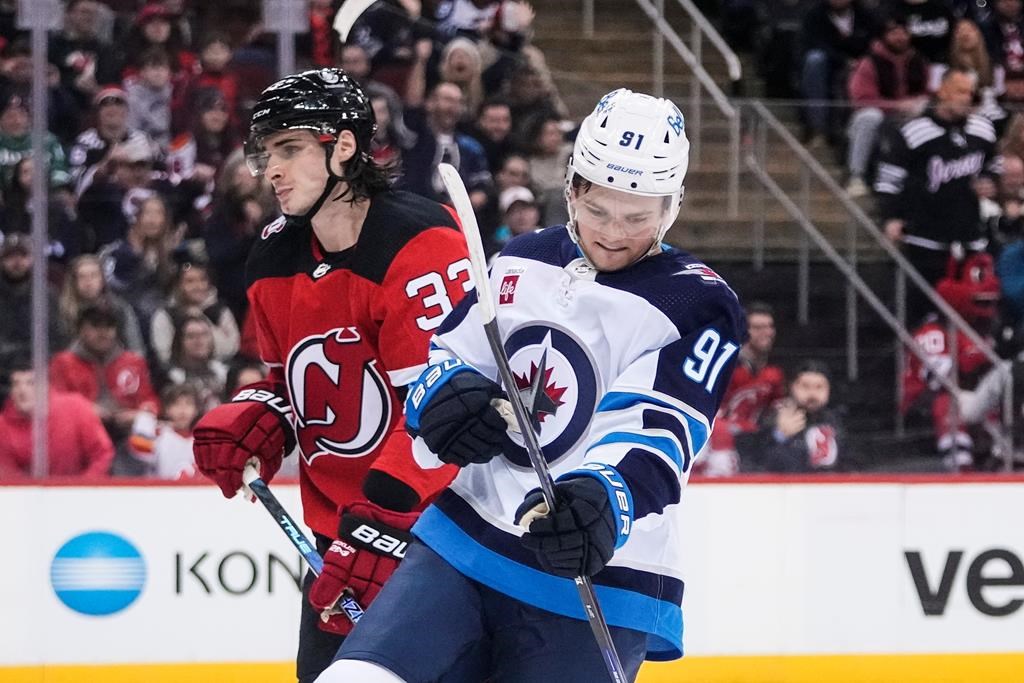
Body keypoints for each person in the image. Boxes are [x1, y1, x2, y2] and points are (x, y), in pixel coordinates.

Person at [318, 88, 745, 682]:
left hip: (597, 569)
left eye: (637, 216)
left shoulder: (696, 300)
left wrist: (606, 499)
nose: (614, 233)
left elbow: (661, 427)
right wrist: (446, 398)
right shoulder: (522, 257)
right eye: (599, 210)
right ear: (573, 190)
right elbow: (448, 355)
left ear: (670, 207)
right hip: (463, 543)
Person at [190, 68, 471, 683]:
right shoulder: (272, 254)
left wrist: (387, 524)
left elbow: (448, 415)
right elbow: (290, 381)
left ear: (343, 147)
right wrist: (266, 413)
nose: (272, 170)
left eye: (289, 149)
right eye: (266, 153)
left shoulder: (420, 244)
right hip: (337, 542)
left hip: (436, 542)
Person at [876, 67, 1002, 324]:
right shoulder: (915, 131)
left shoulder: (982, 128)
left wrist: (991, 179)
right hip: (926, 238)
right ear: (942, 92)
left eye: (970, 92)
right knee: (925, 312)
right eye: (960, 91)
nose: (967, 97)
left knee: (973, 311)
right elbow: (888, 180)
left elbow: (996, 163)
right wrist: (891, 218)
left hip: (971, 237)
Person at [702, 301, 786, 476]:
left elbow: (776, 408)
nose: (767, 333)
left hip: (753, 442)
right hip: (718, 440)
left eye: (769, 326)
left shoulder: (774, 372)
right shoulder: (724, 366)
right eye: (758, 327)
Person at [0, 358, 114, 479]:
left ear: (46, 386)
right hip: (31, 495)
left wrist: (82, 489)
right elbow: (9, 477)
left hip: (82, 492)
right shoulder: (2, 426)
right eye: (16, 384)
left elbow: (103, 454)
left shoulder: (76, 408)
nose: (22, 391)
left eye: (31, 383)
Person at [734, 360, 842, 472]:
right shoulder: (770, 418)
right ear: (791, 387)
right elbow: (756, 462)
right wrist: (779, 435)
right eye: (805, 386)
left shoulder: (837, 421)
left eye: (819, 387)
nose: (812, 393)